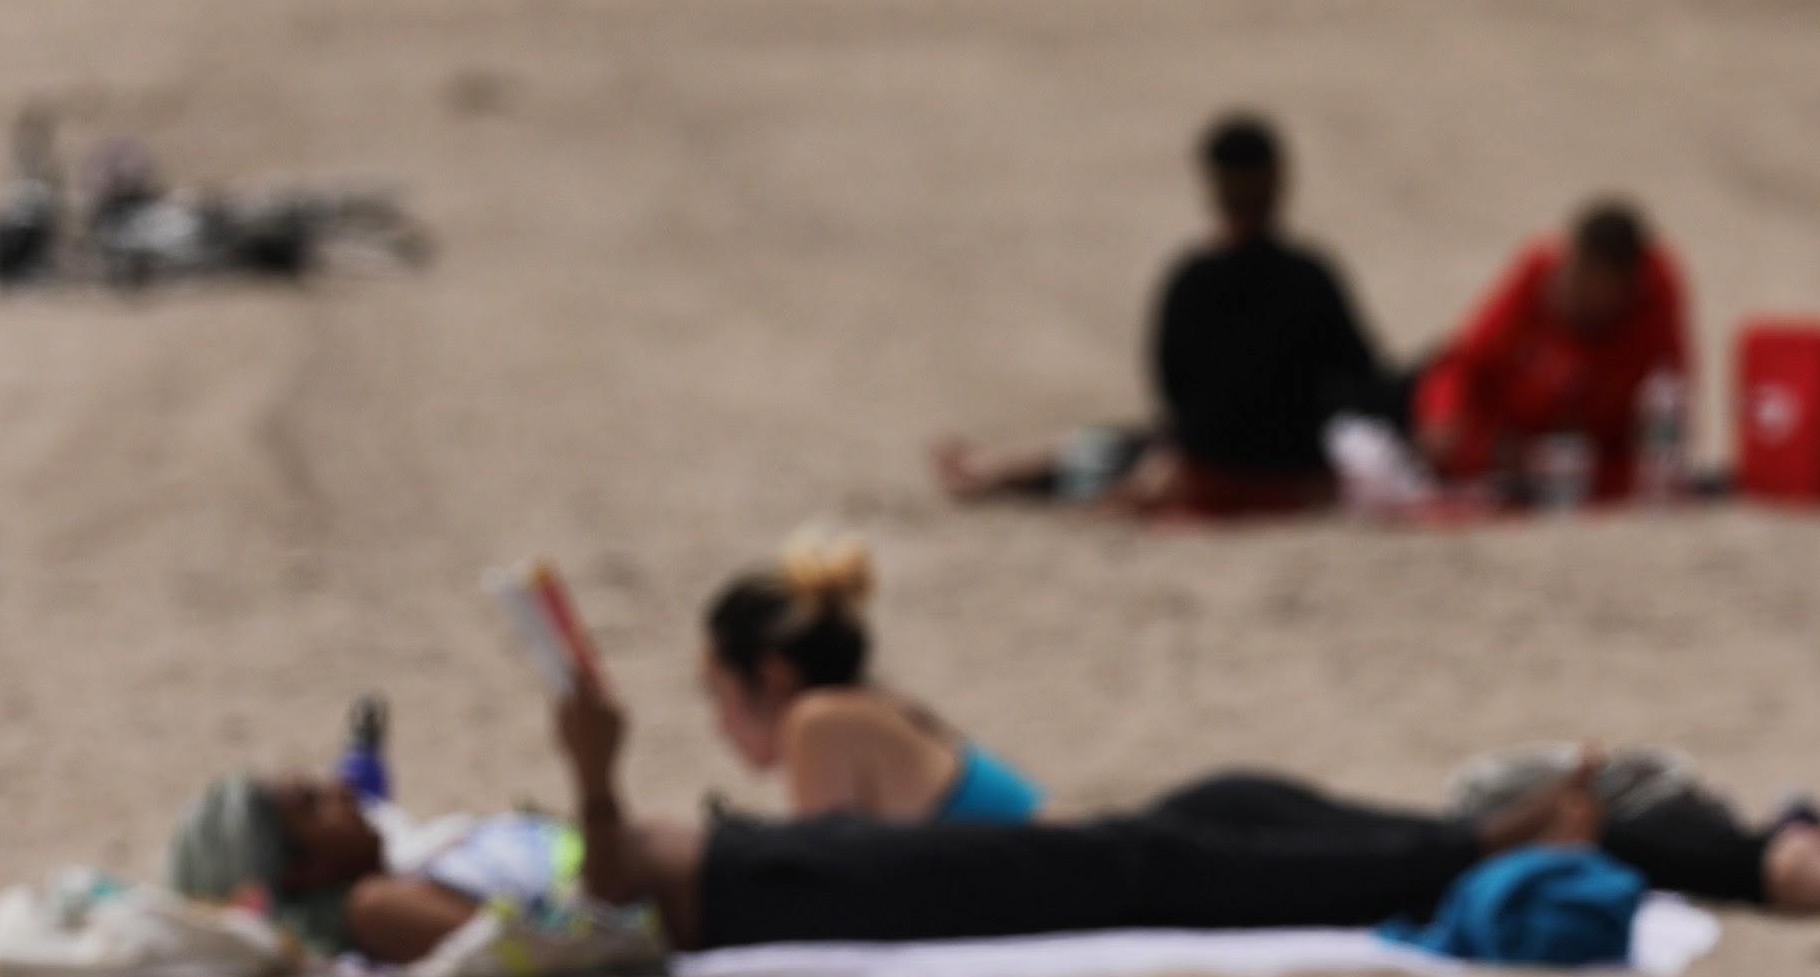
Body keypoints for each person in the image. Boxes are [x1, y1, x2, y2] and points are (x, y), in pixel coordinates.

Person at [544, 658, 1820, 954]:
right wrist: (594, 760)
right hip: (828, 895)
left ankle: (1496, 837)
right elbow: (609, 888)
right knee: (1161, 860)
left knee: (1220, 803)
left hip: (825, 870)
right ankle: (1477, 844)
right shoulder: (430, 891)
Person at [939, 113, 1396, 519]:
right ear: (1279, 180)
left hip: (1207, 473)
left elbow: (1171, 388)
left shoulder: (1191, 279)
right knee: (1127, 446)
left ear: (1212, 184)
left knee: (1114, 448)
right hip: (1295, 474)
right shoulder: (1310, 277)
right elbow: (1365, 378)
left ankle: (998, 473)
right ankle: (998, 471)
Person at [700, 534, 1045, 826]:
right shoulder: (875, 710)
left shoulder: (817, 722)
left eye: (719, 694)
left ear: (773, 675)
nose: (719, 725)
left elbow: (832, 885)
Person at [1411, 198, 1690, 503]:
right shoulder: (1539, 273)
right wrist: (1442, 416)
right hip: (1503, 442)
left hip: (1590, 458)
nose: (1572, 295)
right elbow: (1461, 363)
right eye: (1572, 276)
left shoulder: (1654, 301)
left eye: (1589, 289)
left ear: (1627, 289)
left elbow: (1672, 407)